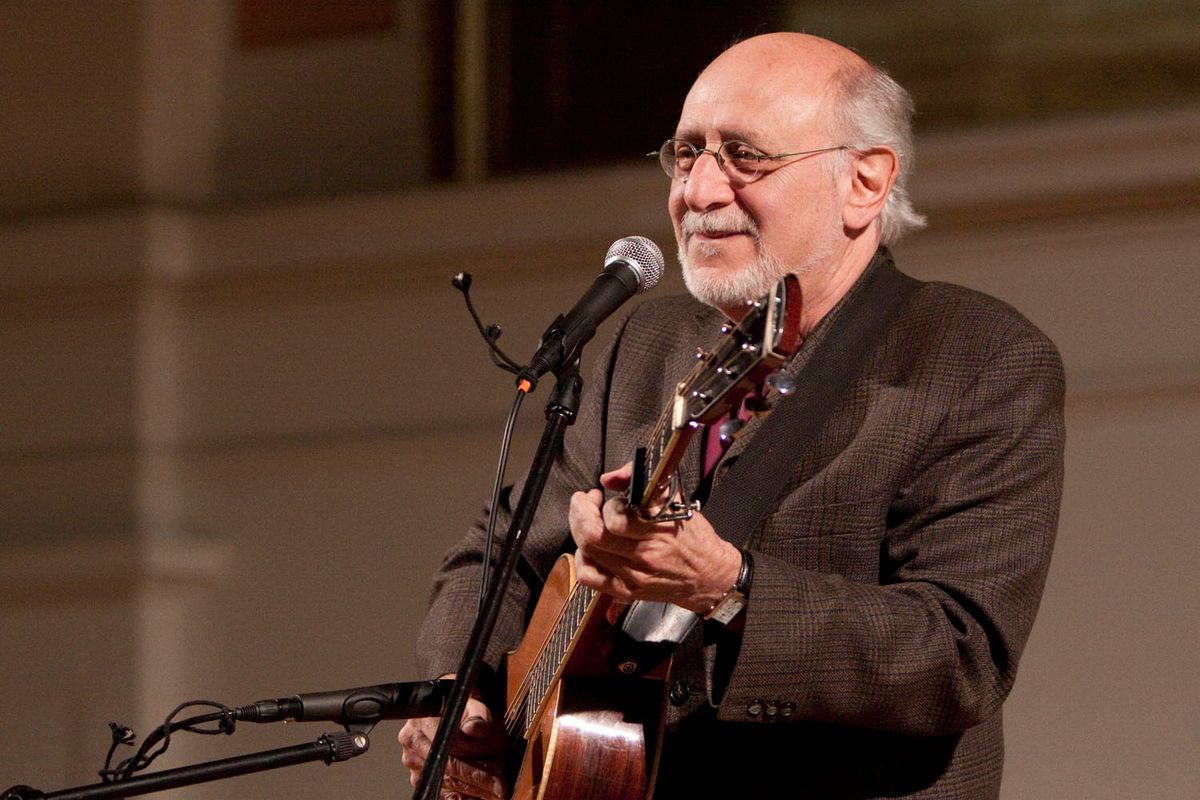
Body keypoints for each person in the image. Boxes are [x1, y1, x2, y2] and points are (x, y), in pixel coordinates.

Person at [399, 31, 1064, 799]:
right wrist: (460, 693)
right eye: (685, 155)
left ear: (866, 181)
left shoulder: (977, 356)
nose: (699, 192)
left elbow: (960, 657)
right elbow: (503, 553)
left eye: (745, 156)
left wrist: (730, 586)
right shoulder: (645, 344)